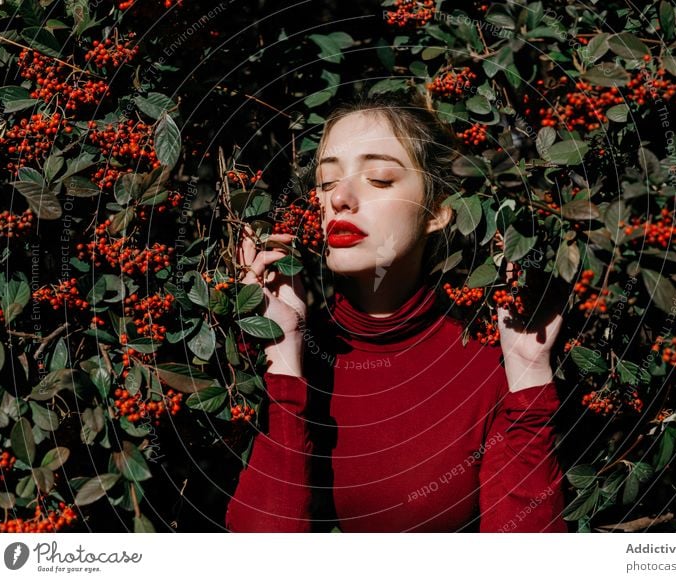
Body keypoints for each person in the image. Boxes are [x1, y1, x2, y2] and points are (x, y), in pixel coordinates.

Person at [225, 93, 568, 532]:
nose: (340, 199)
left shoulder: (488, 356)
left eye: (380, 179)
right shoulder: (256, 355)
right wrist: (284, 356)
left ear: (440, 211)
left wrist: (528, 373)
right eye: (327, 182)